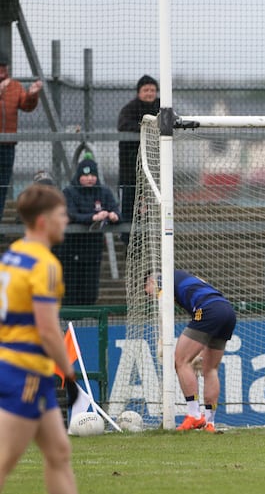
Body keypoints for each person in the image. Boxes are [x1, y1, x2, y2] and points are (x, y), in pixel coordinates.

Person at [0, 183, 85, 494]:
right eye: (61, 215)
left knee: (59, 452)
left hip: (19, 366)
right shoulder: (44, 264)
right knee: (5, 459)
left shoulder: (11, 255)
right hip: (27, 372)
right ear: (43, 222)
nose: (66, 221)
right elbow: (49, 330)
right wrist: (69, 372)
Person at [145, 270, 237, 433]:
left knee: (181, 361)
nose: (147, 292)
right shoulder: (186, 277)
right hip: (227, 311)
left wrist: (162, 340)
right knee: (210, 369)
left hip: (208, 311)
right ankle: (209, 424)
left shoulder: (161, 278)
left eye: (145, 287)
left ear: (151, 281)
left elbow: (163, 311)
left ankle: (194, 415)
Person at [56, 158, 120, 306]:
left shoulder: (103, 191)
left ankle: (89, 320)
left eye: (92, 175)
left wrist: (113, 216)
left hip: (93, 249)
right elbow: (70, 214)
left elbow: (115, 209)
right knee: (70, 287)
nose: (90, 179)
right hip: (71, 249)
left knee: (90, 289)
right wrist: (92, 217)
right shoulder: (69, 192)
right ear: (79, 176)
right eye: (86, 175)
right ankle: (70, 321)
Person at [0, 52, 43, 220]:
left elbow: (27, 105)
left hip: (8, 145)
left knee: (2, 185)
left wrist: (32, 94)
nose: (2, 71)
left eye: (4, 67)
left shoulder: (15, 86)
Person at [117, 75, 159, 236]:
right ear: (139, 92)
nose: (149, 93)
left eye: (152, 90)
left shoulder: (162, 106)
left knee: (153, 208)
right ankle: (127, 240)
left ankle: (152, 240)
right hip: (130, 171)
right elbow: (123, 125)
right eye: (146, 90)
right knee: (128, 207)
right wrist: (146, 128)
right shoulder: (129, 109)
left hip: (155, 170)